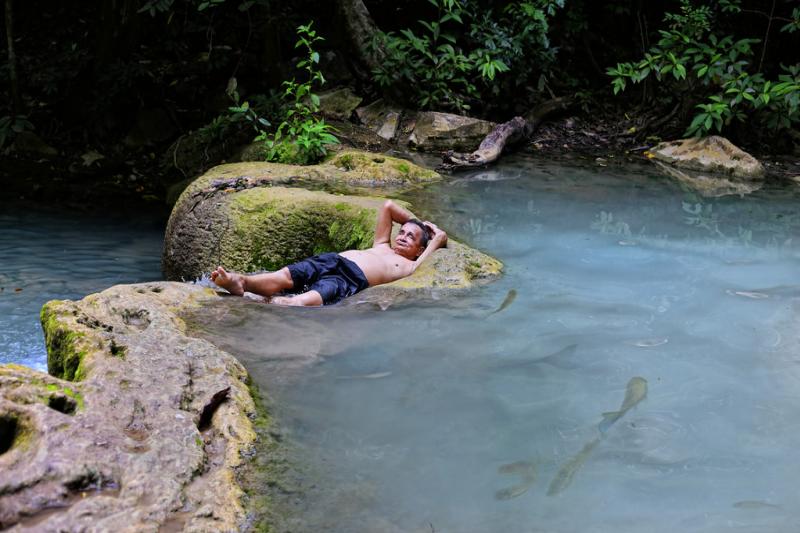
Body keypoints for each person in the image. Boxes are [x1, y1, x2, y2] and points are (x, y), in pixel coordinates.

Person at [210, 200, 448, 306]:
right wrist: (419, 224)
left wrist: (435, 238)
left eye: (410, 237)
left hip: (349, 279)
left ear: (419, 250)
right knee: (284, 276)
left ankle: (276, 302)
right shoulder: (382, 244)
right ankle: (242, 281)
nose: (403, 236)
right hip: (333, 260)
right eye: (402, 232)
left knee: (307, 299)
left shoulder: (408, 266)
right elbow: (387, 207)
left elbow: (421, 268)